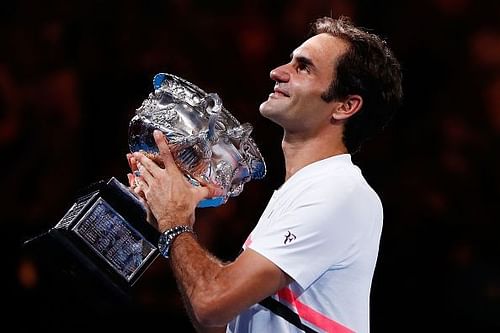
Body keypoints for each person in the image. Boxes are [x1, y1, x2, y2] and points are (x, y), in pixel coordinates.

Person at [128, 16, 402, 333]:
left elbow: (211, 303)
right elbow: (218, 322)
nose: (277, 72)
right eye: (290, 61)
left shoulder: (339, 191)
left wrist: (175, 221)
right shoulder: (301, 191)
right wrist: (172, 222)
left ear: (345, 106)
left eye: (303, 67)